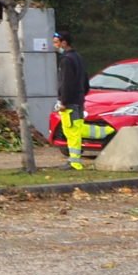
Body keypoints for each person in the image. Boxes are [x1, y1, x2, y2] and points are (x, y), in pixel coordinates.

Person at [54, 29, 89, 170]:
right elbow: (85, 81)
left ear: (64, 43)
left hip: (70, 103)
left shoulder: (66, 60)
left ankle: (74, 162)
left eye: (56, 42)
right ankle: (74, 160)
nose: (54, 45)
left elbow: (66, 83)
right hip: (79, 100)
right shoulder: (78, 57)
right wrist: (82, 95)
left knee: (71, 132)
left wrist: (63, 102)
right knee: (77, 130)